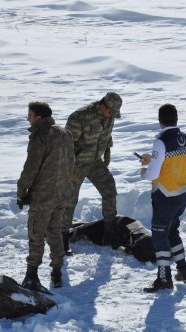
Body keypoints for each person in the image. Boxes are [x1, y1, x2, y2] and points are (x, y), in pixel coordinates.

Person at [17, 101, 75, 291]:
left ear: (38, 117)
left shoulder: (40, 135)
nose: (28, 118)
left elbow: (31, 167)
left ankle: (31, 275)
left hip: (43, 195)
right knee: (55, 232)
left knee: (36, 233)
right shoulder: (65, 133)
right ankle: (57, 272)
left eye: (30, 115)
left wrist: (22, 191)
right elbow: (71, 164)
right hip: (62, 193)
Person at [139, 103, 186, 292]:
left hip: (164, 195)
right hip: (180, 193)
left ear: (160, 121)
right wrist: (152, 159)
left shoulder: (160, 141)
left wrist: (144, 172)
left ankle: (164, 279)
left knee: (160, 237)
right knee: (172, 231)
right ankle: (184, 270)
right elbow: (172, 164)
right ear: (177, 118)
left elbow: (154, 174)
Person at [62, 92, 122, 255]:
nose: (112, 117)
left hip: (95, 162)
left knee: (109, 189)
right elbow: (66, 145)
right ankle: (63, 238)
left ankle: (110, 232)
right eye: (111, 112)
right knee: (70, 200)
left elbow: (106, 135)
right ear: (103, 106)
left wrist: (107, 149)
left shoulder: (110, 116)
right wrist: (70, 166)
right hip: (76, 165)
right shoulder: (80, 117)